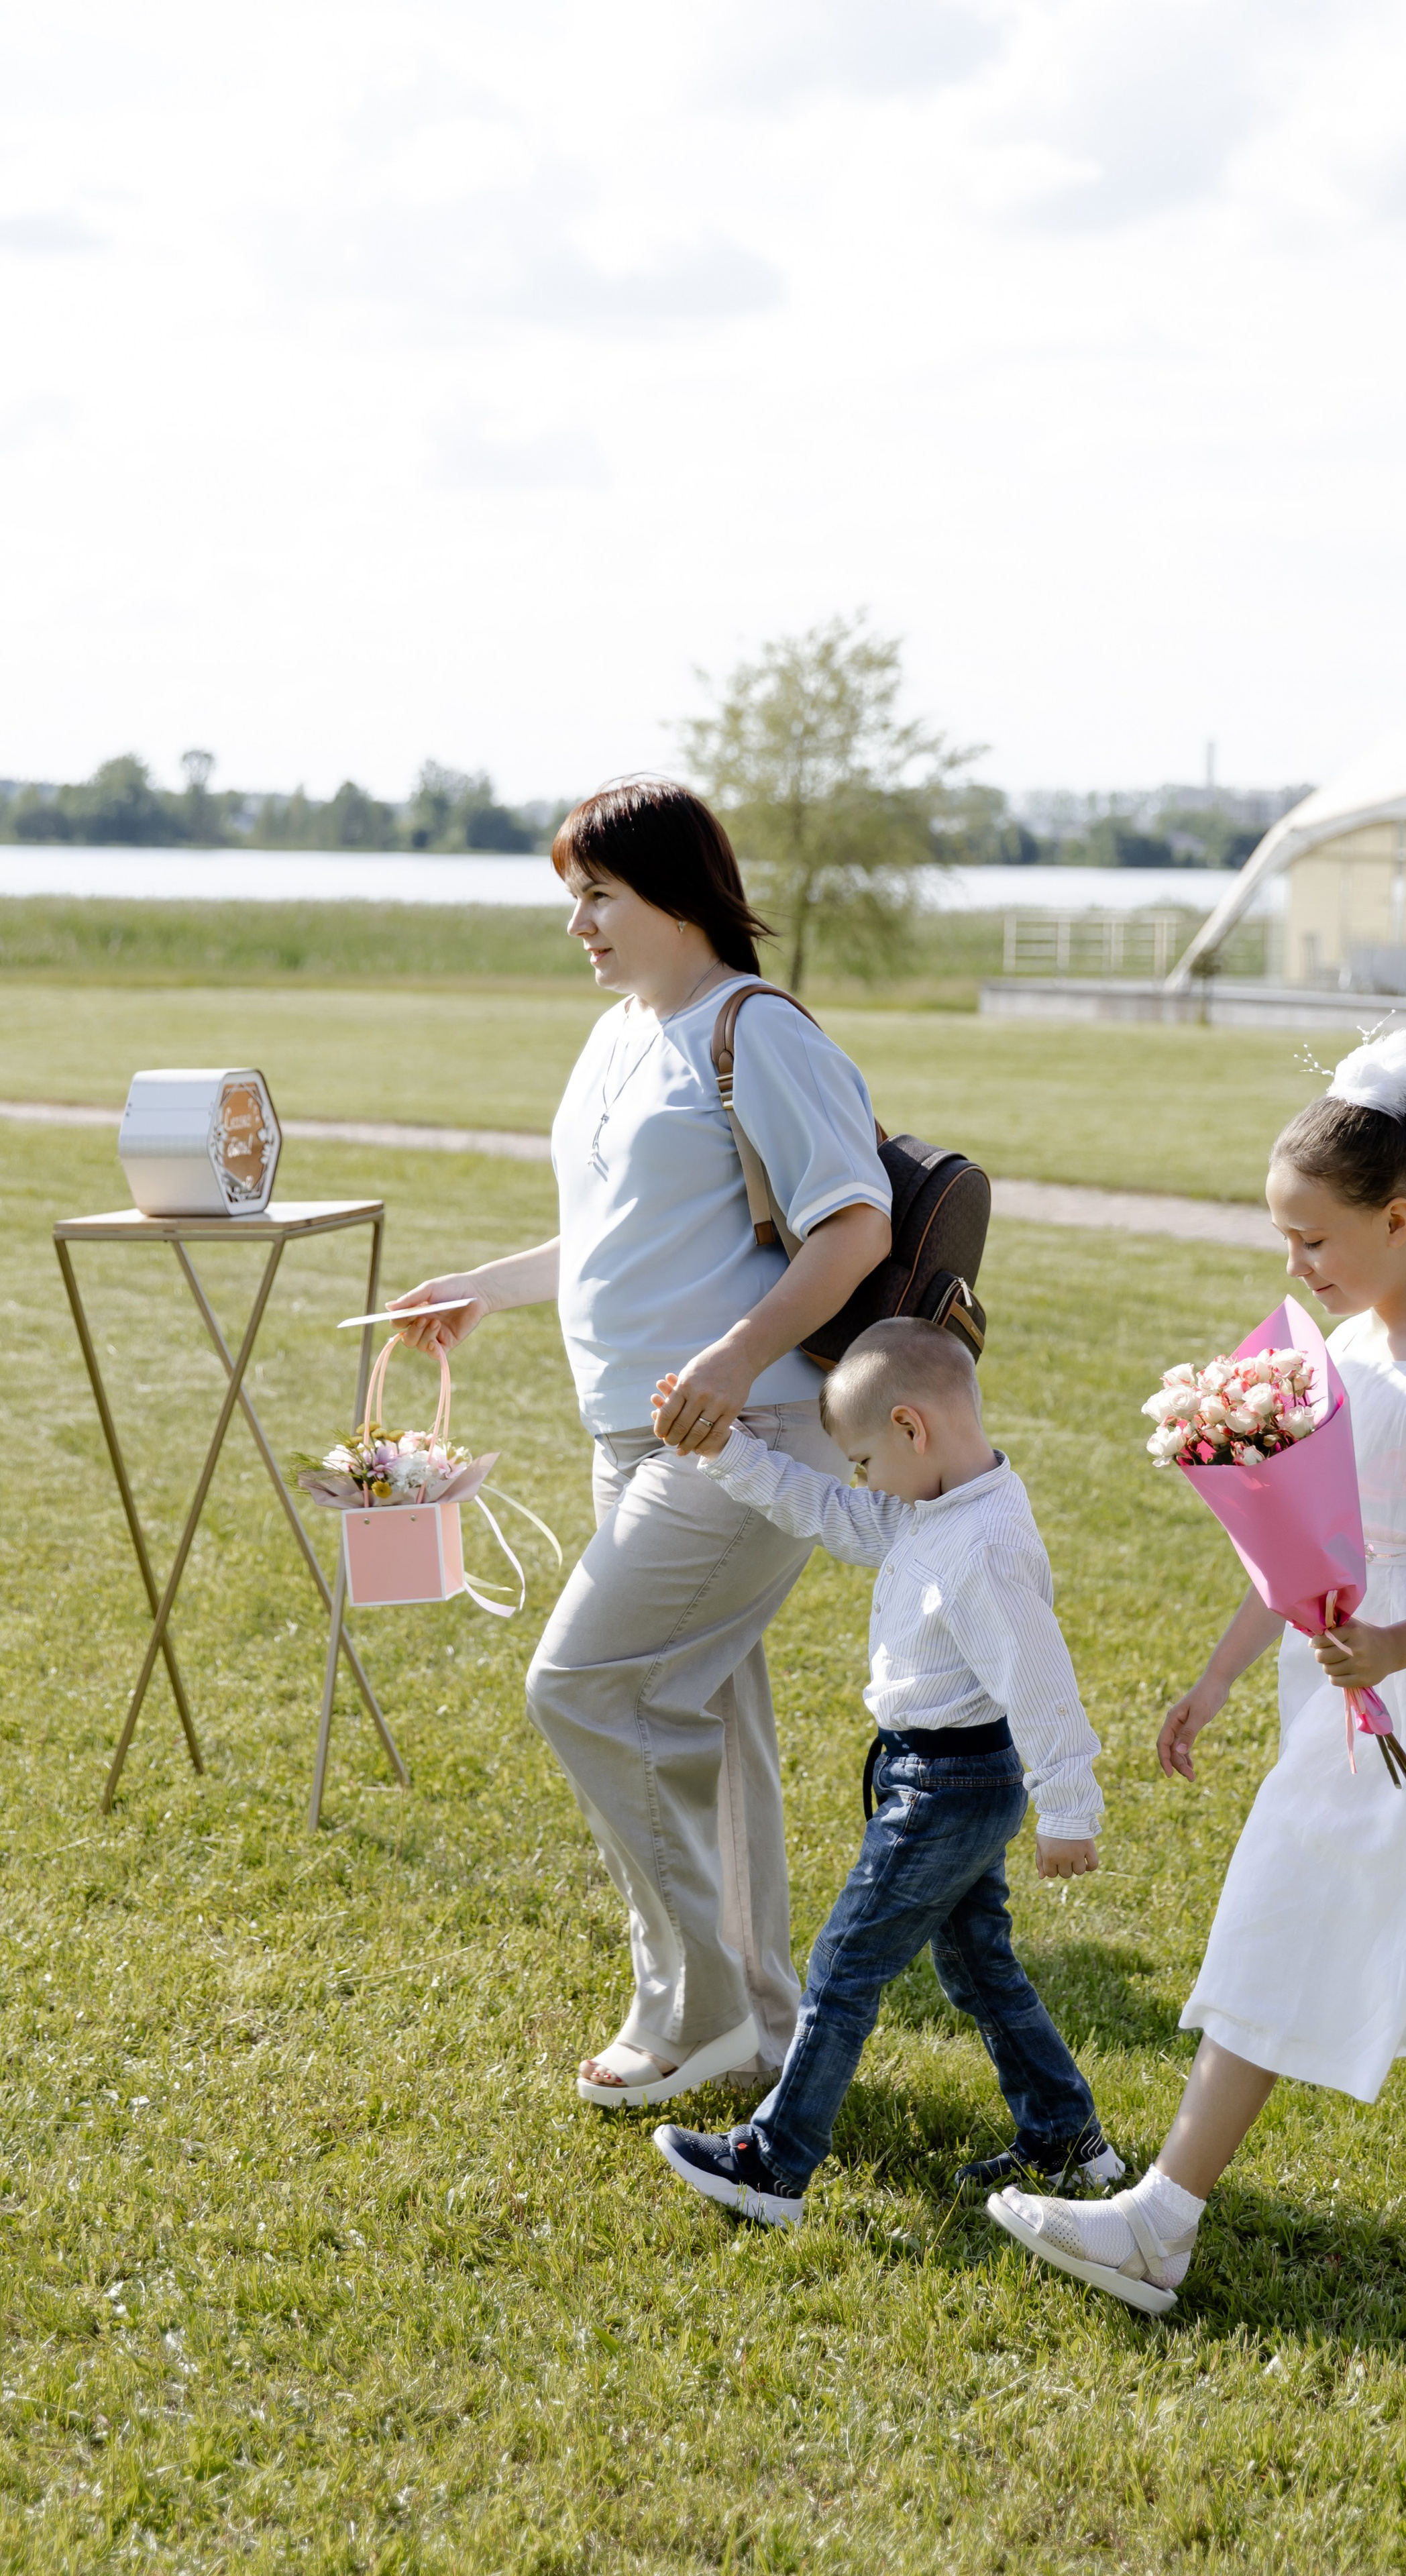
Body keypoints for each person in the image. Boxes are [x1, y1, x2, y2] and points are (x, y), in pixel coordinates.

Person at [989, 1026, 1406, 2315]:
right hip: (1347, 1690)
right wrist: (1215, 1680)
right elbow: (1305, 1549)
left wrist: (1395, 1647)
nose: (1295, 1266)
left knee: (1281, 1909)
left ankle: (1160, 2224)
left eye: (1313, 1240)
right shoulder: (1350, 1350)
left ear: (1399, 1219)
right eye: (1286, 1240)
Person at [389, 781, 894, 2108]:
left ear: (675, 895)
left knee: (585, 1688)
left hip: (744, 1431)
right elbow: (619, 1228)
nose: (579, 926)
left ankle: (697, 2011)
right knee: (703, 1720)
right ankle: (763, 2024)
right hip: (632, 1433)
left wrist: (732, 1358)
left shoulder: (755, 1030)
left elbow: (855, 1223)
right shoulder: (621, 1034)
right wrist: (485, 1287)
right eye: (573, 898)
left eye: (599, 896)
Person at [648, 1317, 1123, 2228]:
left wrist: (1070, 1810)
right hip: (944, 1779)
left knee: (844, 1966)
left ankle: (773, 2165)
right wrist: (728, 1452)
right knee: (980, 1968)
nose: (861, 1480)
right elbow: (833, 1513)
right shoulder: (937, 1509)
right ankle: (1068, 2141)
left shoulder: (983, 1547)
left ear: (911, 1426)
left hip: (948, 1789)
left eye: (864, 1460)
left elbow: (1042, 1685)